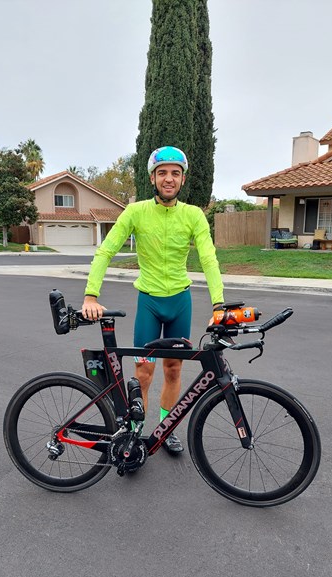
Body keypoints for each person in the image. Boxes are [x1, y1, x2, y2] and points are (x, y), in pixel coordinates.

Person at [82, 146, 224, 454]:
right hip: (149, 302)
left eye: (175, 173)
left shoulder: (193, 215)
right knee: (143, 374)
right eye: (162, 173)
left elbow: (208, 259)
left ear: (182, 179)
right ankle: (135, 433)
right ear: (152, 178)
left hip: (180, 302)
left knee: (173, 369)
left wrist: (218, 305)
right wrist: (91, 295)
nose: (168, 179)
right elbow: (106, 251)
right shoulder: (136, 212)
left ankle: (165, 429)